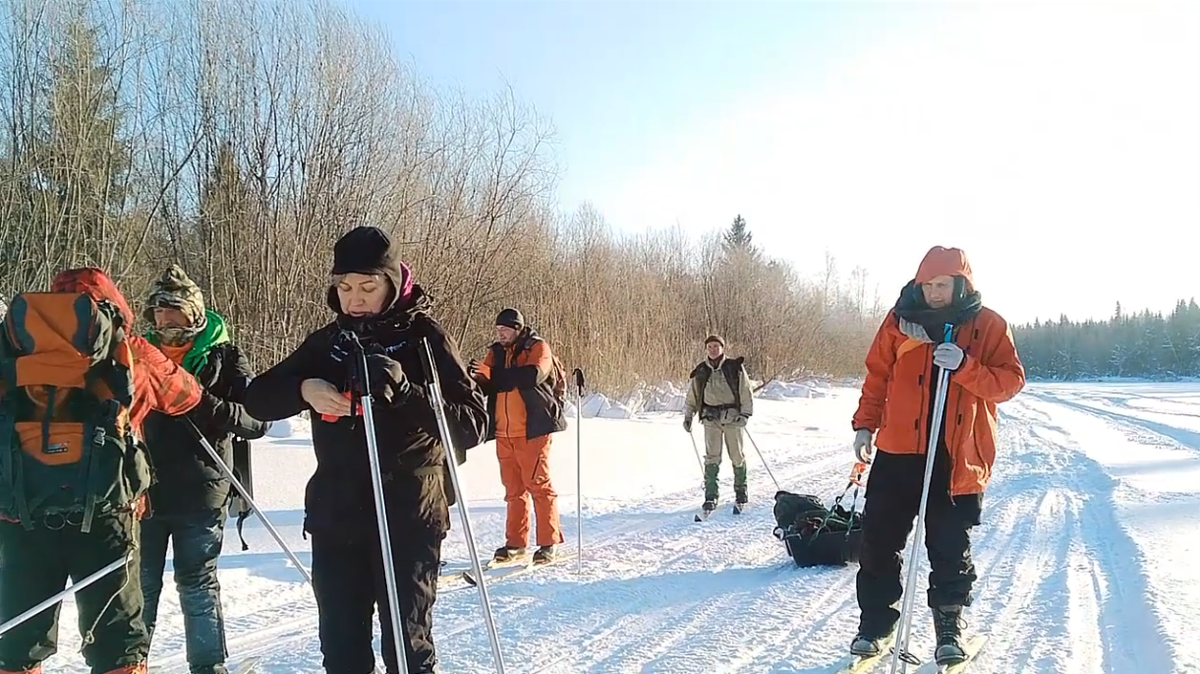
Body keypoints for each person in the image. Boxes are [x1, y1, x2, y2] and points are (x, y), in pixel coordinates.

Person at [242, 225, 487, 674]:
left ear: (392, 285)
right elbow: (257, 397)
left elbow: (473, 423)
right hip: (338, 513)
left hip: (408, 512)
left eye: (367, 287)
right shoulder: (327, 343)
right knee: (341, 649)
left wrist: (406, 391)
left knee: (407, 648)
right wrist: (305, 388)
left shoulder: (424, 340)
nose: (354, 298)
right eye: (344, 286)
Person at [0, 267, 203, 674]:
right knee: (117, 643)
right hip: (108, 514)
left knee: (18, 639)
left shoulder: (13, 347)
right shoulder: (127, 348)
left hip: (22, 515)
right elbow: (186, 396)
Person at [848, 246, 1025, 666]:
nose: (933, 293)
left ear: (960, 283)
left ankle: (949, 625)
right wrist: (864, 424)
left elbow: (1010, 382)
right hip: (897, 451)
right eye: (927, 285)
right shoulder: (898, 322)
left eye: (941, 285)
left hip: (955, 456)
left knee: (948, 545)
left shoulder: (988, 325)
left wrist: (965, 366)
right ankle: (876, 623)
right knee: (878, 541)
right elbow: (877, 376)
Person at [138, 265, 271, 674]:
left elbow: (257, 419)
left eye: (173, 311)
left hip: (202, 488)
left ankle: (209, 666)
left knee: (196, 585)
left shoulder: (223, 355)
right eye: (158, 312)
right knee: (139, 589)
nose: (165, 320)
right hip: (143, 490)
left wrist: (201, 403)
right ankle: (126, 664)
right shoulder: (137, 353)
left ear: (193, 312)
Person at [467, 308, 567, 565]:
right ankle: (515, 544)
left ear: (518, 328)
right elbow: (488, 383)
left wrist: (493, 375)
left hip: (533, 430)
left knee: (539, 486)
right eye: (498, 331)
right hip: (504, 432)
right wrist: (476, 377)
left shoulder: (537, 347)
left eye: (505, 330)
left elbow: (533, 376)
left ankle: (549, 542)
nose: (500, 335)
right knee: (513, 491)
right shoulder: (497, 352)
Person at [682, 335, 754, 514]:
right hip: (710, 418)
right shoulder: (700, 371)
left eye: (716, 346)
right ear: (706, 349)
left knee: (736, 455)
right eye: (710, 346)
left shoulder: (734, 367)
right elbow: (693, 395)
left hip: (732, 417)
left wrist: (745, 414)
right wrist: (688, 415)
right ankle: (711, 495)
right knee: (712, 457)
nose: (713, 349)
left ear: (723, 348)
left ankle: (741, 491)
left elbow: (746, 391)